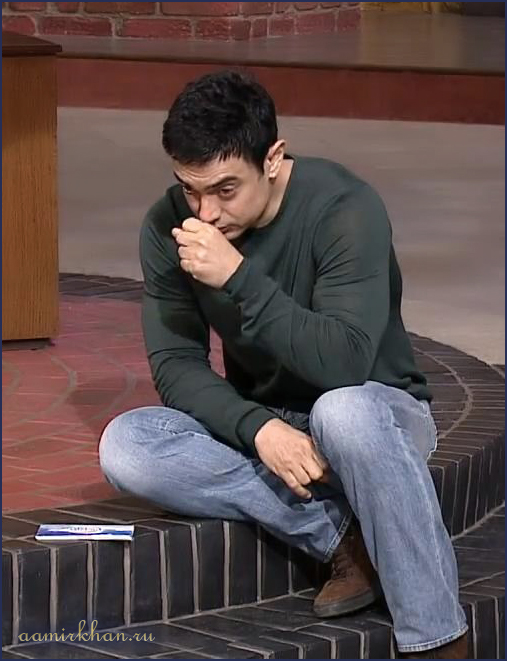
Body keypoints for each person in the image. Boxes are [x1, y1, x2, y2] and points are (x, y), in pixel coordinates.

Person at [98, 70, 469, 658]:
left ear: (272, 158)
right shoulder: (168, 225)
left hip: (376, 412)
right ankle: (345, 538)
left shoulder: (345, 207)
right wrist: (259, 428)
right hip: (275, 425)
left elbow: (344, 362)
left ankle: (438, 640)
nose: (206, 212)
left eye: (225, 189)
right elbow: (176, 365)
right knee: (129, 444)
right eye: (190, 190)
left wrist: (238, 277)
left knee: (341, 412)